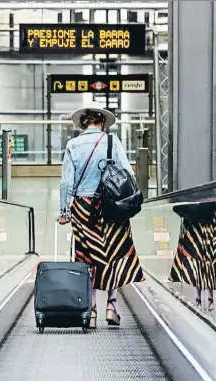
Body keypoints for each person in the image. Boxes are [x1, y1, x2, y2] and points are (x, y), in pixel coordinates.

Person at [58, 103, 145, 328]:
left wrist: (64, 211)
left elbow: (66, 182)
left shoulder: (72, 145)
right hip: (110, 205)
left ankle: (92, 308)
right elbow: (127, 173)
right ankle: (112, 305)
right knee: (114, 252)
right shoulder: (111, 142)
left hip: (82, 206)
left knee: (86, 255)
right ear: (102, 122)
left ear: (83, 123)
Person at [169, 202, 216, 314]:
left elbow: (176, 208)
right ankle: (209, 299)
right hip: (207, 235)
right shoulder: (210, 204)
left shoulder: (190, 205)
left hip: (195, 236)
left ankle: (200, 299)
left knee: (198, 267)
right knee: (208, 267)